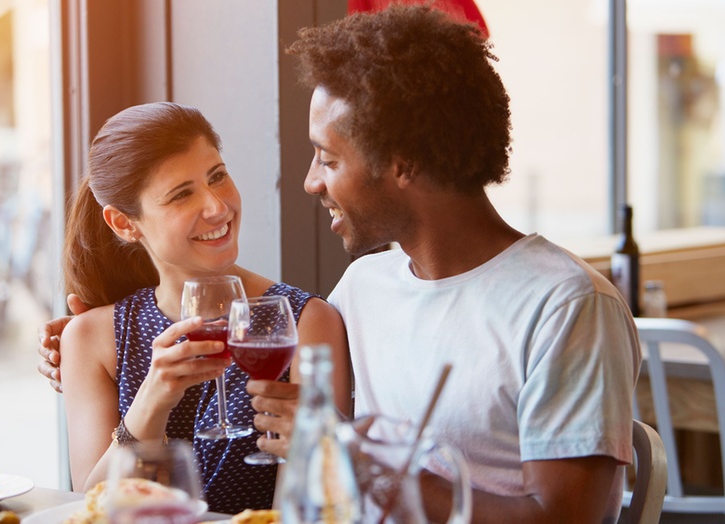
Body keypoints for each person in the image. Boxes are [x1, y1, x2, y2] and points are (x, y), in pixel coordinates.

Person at [41, 6, 641, 523]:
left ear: (401, 164)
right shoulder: (366, 288)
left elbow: (564, 518)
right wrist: (81, 343)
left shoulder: (565, 305)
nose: (308, 182)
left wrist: (352, 456)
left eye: (327, 159)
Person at [53, 101, 350, 515]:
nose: (217, 207)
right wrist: (154, 397)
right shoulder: (89, 337)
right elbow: (98, 509)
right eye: (181, 195)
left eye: (218, 177)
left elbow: (304, 511)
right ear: (124, 223)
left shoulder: (306, 321)